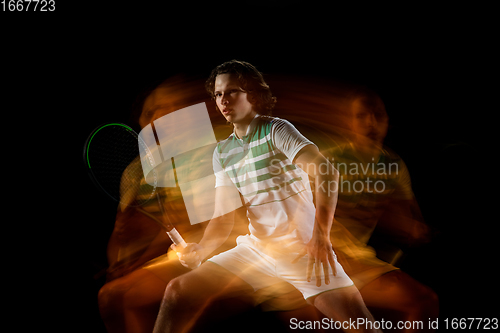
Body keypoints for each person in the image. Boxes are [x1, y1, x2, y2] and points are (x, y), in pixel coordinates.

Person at [153, 60, 381, 333]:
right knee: (177, 291)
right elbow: (222, 219)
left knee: (362, 326)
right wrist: (201, 248)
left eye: (232, 91)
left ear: (252, 94)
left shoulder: (276, 130)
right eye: (218, 94)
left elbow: (327, 172)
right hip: (256, 250)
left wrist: (321, 235)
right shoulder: (222, 153)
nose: (223, 100)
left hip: (303, 250)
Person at [324, 87, 439, 332]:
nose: (371, 123)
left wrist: (415, 228)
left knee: (423, 305)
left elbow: (410, 217)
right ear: (348, 122)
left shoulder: (393, 165)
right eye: (362, 115)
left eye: (378, 115)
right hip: (319, 259)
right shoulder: (328, 161)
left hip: (356, 261)